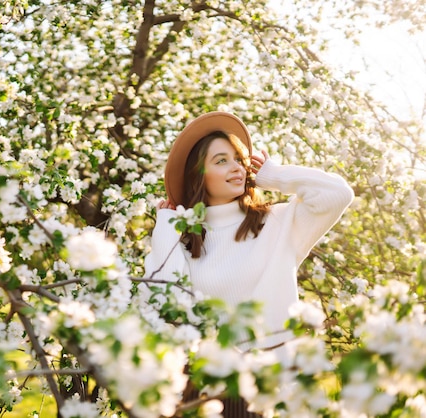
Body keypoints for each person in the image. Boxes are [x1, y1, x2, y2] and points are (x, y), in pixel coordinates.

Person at [144, 111, 354, 417]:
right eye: (221, 161)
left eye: (239, 158)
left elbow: (337, 194)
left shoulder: (278, 223)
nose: (237, 167)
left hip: (268, 390)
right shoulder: (188, 240)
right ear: (198, 176)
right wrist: (166, 227)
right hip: (203, 392)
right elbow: (166, 301)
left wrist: (275, 175)